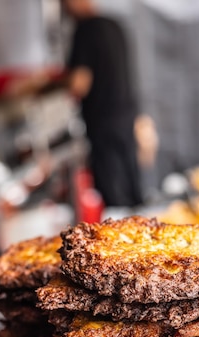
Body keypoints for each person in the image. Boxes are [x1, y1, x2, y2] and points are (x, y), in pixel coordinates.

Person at [62, 0, 143, 209]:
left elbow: (80, 84)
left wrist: (53, 83)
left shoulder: (85, 30)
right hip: (127, 115)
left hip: (103, 122)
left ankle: (121, 240)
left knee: (114, 195)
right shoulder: (116, 25)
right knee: (133, 189)